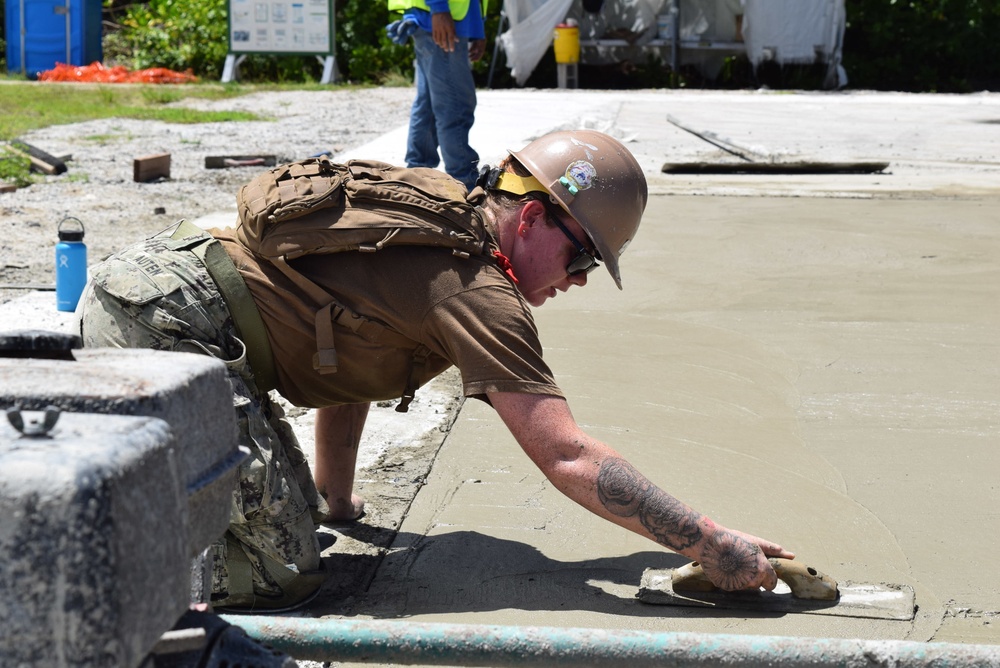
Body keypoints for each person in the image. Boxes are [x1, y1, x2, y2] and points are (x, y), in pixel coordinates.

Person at [78, 129, 793, 613]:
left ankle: (161, 488)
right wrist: (709, 544)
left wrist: (336, 503)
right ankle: (107, 575)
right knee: (282, 572)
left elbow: (351, 359)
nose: (577, 281)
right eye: (581, 258)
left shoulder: (451, 220)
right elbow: (569, 455)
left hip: (160, 302)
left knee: (292, 525)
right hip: (162, 332)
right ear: (535, 218)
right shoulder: (476, 289)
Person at [387, 0, 487, 190]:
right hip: (442, 15)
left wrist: (477, 25)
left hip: (444, 16)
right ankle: (464, 184)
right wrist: (439, 8)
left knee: (429, 106)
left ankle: (416, 181)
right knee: (455, 105)